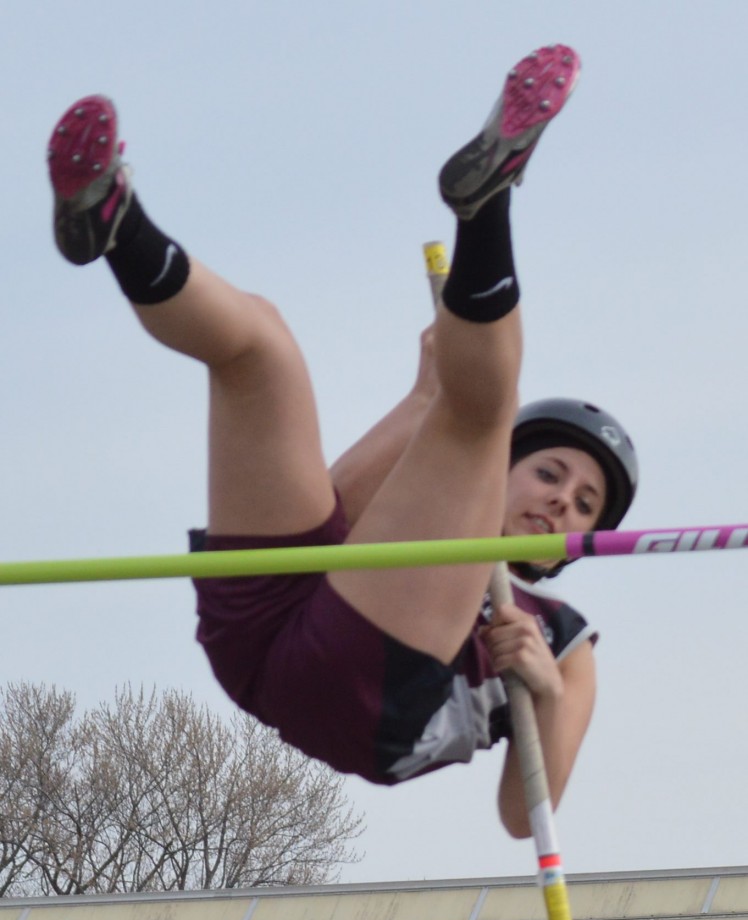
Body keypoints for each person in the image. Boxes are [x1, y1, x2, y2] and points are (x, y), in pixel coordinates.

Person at [47, 43, 637, 839]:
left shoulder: (565, 637)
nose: (562, 498)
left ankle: (489, 206)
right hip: (276, 616)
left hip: (370, 703)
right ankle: (115, 223)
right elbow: (323, 514)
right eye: (550, 473)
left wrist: (546, 687)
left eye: (584, 504)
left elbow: (520, 820)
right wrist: (420, 402)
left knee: (480, 407)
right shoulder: (434, 491)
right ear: (502, 479)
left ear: (581, 545)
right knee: (260, 348)